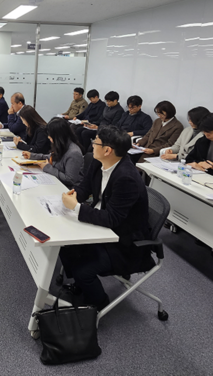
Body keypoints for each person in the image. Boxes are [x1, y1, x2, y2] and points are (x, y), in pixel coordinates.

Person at [59, 125, 154, 309]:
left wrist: (76, 208)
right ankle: (82, 286)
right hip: (102, 228)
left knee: (82, 269)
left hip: (125, 242)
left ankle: (99, 303)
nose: (92, 144)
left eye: (95, 142)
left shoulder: (126, 177)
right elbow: (85, 187)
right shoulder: (98, 162)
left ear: (107, 150)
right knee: (65, 247)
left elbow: (112, 219)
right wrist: (75, 195)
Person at [0, 106, 50, 209]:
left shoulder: (41, 129)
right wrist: (20, 140)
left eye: (23, 119)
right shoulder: (32, 127)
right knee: (5, 171)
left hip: (39, 161)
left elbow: (37, 149)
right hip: (30, 157)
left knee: (11, 174)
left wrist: (20, 144)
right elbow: (28, 142)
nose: (22, 122)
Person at [23, 117, 84, 188]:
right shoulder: (62, 144)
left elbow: (70, 180)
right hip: (56, 181)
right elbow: (51, 156)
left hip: (67, 189)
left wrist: (47, 168)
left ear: (58, 136)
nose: (48, 137)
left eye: (50, 135)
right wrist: (32, 156)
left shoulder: (74, 153)